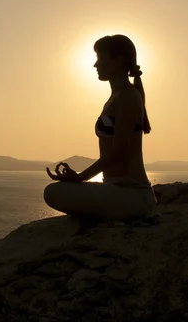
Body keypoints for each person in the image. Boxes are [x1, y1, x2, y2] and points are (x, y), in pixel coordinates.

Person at [44, 34, 157, 221]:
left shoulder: (129, 96)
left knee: (52, 193)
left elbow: (120, 150)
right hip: (115, 189)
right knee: (55, 192)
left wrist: (81, 178)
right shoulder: (116, 97)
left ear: (118, 60)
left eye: (100, 58)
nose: (95, 65)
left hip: (132, 194)